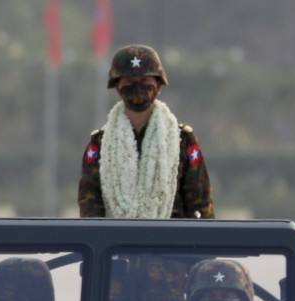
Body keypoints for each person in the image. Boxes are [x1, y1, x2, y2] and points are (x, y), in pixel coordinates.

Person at [79, 44, 214, 219]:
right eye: (129, 82)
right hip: (116, 244)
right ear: (117, 87)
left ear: (158, 86)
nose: (137, 88)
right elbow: (90, 207)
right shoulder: (100, 143)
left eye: (145, 82)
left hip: (171, 243)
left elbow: (201, 207)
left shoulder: (182, 140)